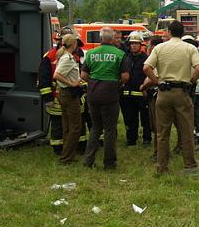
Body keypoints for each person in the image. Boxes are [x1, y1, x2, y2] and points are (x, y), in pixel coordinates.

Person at [143, 20, 199, 175]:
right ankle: (190, 166)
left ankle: (162, 167)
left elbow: (146, 67)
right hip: (182, 92)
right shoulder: (190, 48)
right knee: (186, 131)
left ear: (169, 32)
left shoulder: (159, 47)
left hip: (163, 93)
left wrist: (157, 81)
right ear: (182, 32)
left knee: (162, 133)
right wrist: (191, 81)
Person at [81, 27, 130, 169]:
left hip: (93, 93)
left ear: (101, 38)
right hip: (110, 94)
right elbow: (125, 77)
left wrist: (94, 81)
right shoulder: (120, 54)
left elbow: (83, 75)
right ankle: (109, 163)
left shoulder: (90, 53)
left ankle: (88, 160)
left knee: (96, 127)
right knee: (109, 129)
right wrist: (117, 83)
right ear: (112, 38)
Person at [52, 33, 84, 164]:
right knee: (75, 127)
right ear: (74, 44)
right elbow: (57, 75)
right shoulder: (67, 58)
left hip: (64, 94)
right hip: (69, 94)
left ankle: (67, 155)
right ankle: (67, 157)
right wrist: (72, 83)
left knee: (67, 127)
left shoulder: (64, 56)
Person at [121, 31, 152, 146]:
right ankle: (131, 139)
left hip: (142, 94)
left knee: (145, 118)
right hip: (127, 94)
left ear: (141, 45)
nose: (133, 45)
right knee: (130, 119)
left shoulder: (146, 58)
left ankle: (147, 139)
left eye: (136, 43)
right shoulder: (126, 58)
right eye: (132, 43)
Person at [140, 35, 165, 161]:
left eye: (149, 45)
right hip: (156, 94)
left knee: (157, 126)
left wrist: (143, 87)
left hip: (156, 95)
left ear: (154, 47)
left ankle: (158, 153)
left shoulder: (156, 58)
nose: (147, 48)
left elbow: (153, 78)